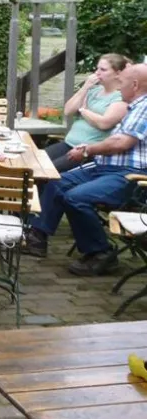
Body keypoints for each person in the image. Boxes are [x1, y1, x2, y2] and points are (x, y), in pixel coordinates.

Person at [23, 63, 147, 274]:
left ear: (135, 85)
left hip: (129, 175)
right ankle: (37, 238)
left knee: (76, 197)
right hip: (104, 167)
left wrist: (88, 149)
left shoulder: (143, 107)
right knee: (56, 181)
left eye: (122, 83)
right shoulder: (133, 105)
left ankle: (101, 252)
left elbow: (121, 143)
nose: (119, 89)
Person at [44, 54, 129, 173]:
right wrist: (85, 87)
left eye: (103, 70)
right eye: (97, 68)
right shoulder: (93, 91)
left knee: (47, 171)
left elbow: (104, 123)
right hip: (68, 143)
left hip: (86, 151)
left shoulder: (120, 97)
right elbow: (68, 110)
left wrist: (83, 110)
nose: (97, 73)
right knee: (35, 161)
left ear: (118, 73)